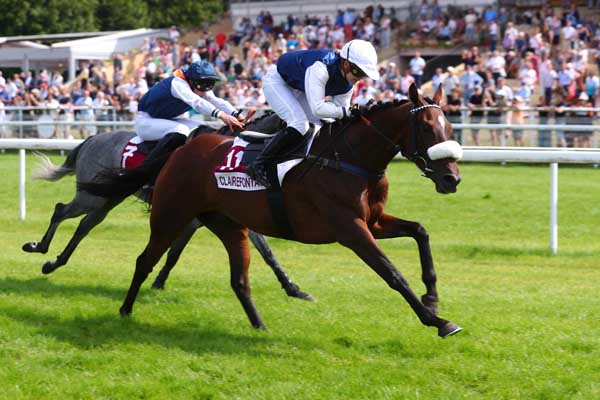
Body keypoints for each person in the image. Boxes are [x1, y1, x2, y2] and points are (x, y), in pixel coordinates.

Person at [244, 39, 379, 188]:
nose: (360, 78)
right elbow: (318, 109)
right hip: (278, 82)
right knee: (299, 124)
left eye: (364, 74)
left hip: (299, 87)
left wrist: (362, 114)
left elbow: (341, 113)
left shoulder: (347, 84)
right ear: (346, 63)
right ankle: (257, 164)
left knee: (319, 125)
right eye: (358, 71)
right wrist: (351, 110)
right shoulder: (321, 67)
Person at [135, 60, 245, 163]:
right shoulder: (178, 83)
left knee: (201, 129)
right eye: (202, 84)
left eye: (209, 84)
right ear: (191, 81)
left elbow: (217, 101)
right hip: (146, 121)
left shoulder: (198, 87)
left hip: (167, 120)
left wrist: (237, 115)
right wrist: (222, 116)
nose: (205, 90)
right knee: (180, 129)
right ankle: (147, 167)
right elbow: (196, 102)